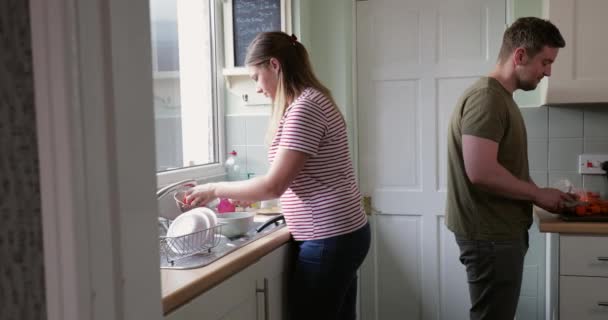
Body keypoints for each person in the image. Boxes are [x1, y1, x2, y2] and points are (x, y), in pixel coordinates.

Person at [184, 32, 370, 320]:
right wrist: (242, 192)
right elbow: (294, 178)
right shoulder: (311, 100)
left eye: (256, 77)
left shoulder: (304, 108)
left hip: (328, 235)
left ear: (274, 65)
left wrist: (214, 189)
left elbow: (274, 185)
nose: (257, 88)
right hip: (341, 231)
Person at [445, 17, 576, 320]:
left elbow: (505, 168)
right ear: (519, 56)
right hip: (491, 236)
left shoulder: (501, 98)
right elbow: (481, 171)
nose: (549, 71)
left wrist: (542, 194)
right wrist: (536, 194)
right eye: (545, 62)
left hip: (497, 233)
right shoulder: (487, 99)